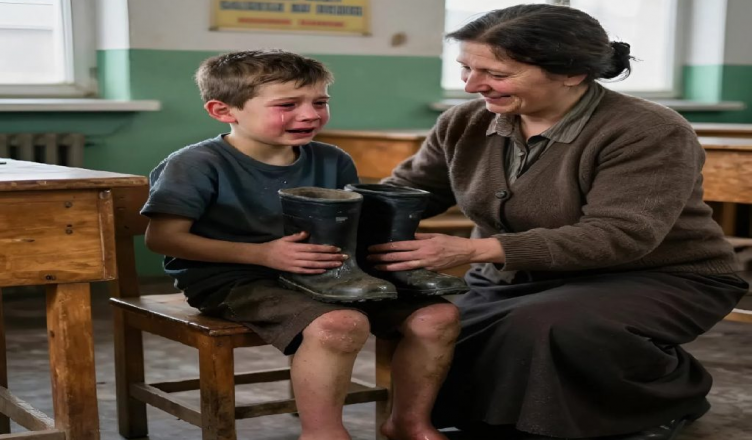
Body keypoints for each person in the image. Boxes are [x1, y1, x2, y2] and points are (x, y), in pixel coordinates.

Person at [368, 5, 748, 440]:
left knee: (546, 328)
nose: (472, 86)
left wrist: (474, 250)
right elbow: (408, 192)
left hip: (656, 276)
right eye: (466, 68)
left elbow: (620, 235)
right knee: (439, 331)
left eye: (496, 73)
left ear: (571, 73)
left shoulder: (649, 129)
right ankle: (509, 423)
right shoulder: (464, 122)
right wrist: (331, 214)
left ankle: (667, 396)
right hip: (514, 279)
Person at [140, 49, 460, 440]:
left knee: (437, 317)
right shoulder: (195, 164)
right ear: (223, 110)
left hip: (325, 271)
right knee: (340, 324)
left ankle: (408, 423)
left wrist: (395, 255)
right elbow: (163, 238)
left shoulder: (332, 160)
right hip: (231, 278)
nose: (310, 115)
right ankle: (323, 433)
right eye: (287, 105)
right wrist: (263, 254)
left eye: (320, 102)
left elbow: (345, 228)